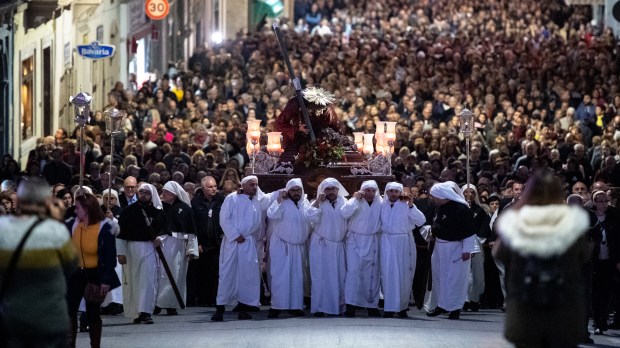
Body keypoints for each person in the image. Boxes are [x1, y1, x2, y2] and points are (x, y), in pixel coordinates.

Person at [494, 173, 590, 347]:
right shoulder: (571, 222)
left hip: (526, 303)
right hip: (563, 304)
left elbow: (499, 253)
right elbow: (584, 255)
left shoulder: (516, 221)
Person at [0, 177, 78, 348]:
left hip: (12, 319)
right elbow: (72, 265)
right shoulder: (56, 231)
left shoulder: (2, 230)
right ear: (46, 202)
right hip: (50, 320)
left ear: (18, 200)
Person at [67, 193, 120, 348]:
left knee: (92, 312)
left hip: (95, 273)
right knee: (69, 311)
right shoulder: (72, 225)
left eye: (77, 208)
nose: (75, 211)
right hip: (76, 273)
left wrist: (105, 281)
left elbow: (110, 257)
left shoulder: (105, 228)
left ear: (87, 209)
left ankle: (95, 345)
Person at [211, 176, 261, 321]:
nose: (254, 187)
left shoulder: (255, 201)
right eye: (252, 185)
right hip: (233, 243)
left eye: (256, 185)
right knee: (228, 274)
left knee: (247, 275)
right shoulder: (231, 199)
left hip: (247, 242)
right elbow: (224, 218)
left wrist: (247, 235)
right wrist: (235, 234)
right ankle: (220, 308)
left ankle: (243, 307)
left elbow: (257, 222)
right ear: (243, 185)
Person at [116, 183, 166, 324]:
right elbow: (120, 233)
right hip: (132, 249)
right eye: (141, 192)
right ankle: (136, 312)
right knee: (133, 281)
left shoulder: (158, 211)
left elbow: (164, 230)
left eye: (147, 192)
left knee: (148, 280)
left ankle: (146, 312)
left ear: (152, 195)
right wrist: (121, 252)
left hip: (150, 248)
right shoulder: (129, 211)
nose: (143, 195)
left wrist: (159, 239)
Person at [427, 181, 476, 320]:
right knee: (441, 278)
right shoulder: (440, 207)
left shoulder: (461, 209)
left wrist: (467, 249)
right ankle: (442, 305)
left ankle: (455, 308)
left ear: (441, 195)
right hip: (440, 247)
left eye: (434, 196)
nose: (433, 199)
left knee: (455, 278)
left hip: (456, 247)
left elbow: (470, 231)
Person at [379, 182, 426, 318]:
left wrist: (411, 206)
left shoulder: (407, 205)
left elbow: (421, 220)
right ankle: (389, 307)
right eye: (391, 191)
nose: (393, 194)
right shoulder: (382, 205)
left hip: (404, 242)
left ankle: (402, 307)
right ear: (386, 192)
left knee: (404, 274)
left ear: (400, 192)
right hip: (387, 241)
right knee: (387, 274)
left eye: (396, 191)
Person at [266, 178, 311, 318]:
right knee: (280, 276)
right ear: (288, 190)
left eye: (298, 190)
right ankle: (277, 306)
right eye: (293, 190)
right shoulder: (282, 203)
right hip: (282, 245)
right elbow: (271, 214)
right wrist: (279, 199)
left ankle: (295, 306)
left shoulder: (305, 203)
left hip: (298, 247)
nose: (296, 193)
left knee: (297, 277)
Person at [305, 177, 349, 316]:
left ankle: (337, 307)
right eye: (328, 189)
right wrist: (318, 201)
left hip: (337, 245)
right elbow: (310, 217)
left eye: (333, 189)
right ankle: (319, 307)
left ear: (338, 189)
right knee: (320, 276)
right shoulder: (317, 203)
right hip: (321, 245)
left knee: (339, 276)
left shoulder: (344, 202)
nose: (331, 192)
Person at [155, 181, 198, 315]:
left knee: (175, 274)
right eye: (163, 192)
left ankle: (171, 304)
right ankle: (157, 303)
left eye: (167, 192)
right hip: (161, 245)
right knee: (158, 275)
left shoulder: (184, 208)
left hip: (178, 247)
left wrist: (192, 249)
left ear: (174, 194)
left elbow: (191, 231)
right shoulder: (160, 208)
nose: (164, 194)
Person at [341, 180, 383, 317]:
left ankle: (371, 305)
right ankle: (350, 305)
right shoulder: (356, 201)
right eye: (367, 190)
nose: (370, 194)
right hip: (355, 241)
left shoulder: (380, 203)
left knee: (372, 274)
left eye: (372, 191)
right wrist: (354, 199)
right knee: (353, 272)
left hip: (372, 240)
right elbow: (344, 213)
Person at [588, 190, 620, 335]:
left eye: (605, 201)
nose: (603, 204)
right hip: (594, 261)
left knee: (607, 292)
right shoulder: (589, 216)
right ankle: (597, 322)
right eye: (600, 201)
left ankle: (603, 318)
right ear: (594, 202)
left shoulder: (613, 216)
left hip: (609, 260)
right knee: (595, 292)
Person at [189, 176, 224, 307]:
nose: (214, 189)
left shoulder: (222, 200)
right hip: (202, 244)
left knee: (216, 272)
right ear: (203, 188)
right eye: (210, 187)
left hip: (217, 243)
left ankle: (216, 299)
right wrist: (196, 243)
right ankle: (203, 299)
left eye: (215, 186)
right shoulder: (195, 202)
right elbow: (193, 224)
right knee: (203, 273)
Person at [461, 184, 491, 312]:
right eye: (466, 192)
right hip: (461, 244)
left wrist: (476, 242)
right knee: (464, 274)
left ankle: (475, 299)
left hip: (476, 244)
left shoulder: (480, 211)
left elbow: (484, 228)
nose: (469, 195)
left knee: (478, 274)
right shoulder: (458, 209)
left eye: (472, 192)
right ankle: (464, 299)